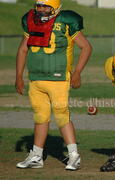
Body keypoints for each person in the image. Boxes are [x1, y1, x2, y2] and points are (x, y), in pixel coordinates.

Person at [15, 0, 92, 170]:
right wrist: (19, 76)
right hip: (35, 78)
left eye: (45, 6)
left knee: (62, 115)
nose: (41, 10)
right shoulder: (31, 21)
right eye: (39, 6)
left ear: (55, 8)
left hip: (58, 78)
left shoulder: (65, 21)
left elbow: (86, 47)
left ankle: (73, 156)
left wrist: (77, 72)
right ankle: (36, 155)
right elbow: (22, 49)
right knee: (40, 116)